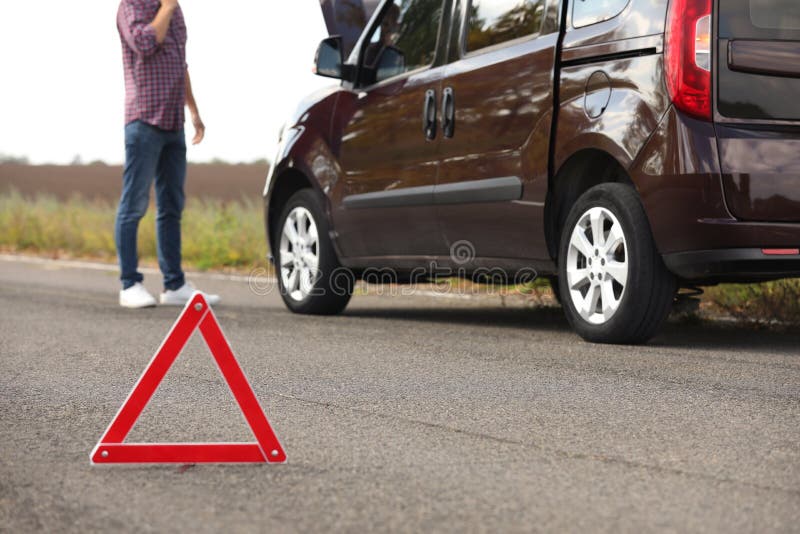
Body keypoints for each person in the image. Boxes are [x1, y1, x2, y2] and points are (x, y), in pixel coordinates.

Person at [115, 0, 220, 308]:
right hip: (144, 120)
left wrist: (194, 111)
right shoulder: (132, 5)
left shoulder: (172, 10)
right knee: (133, 205)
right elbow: (145, 43)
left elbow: (179, 64)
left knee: (172, 207)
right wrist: (168, 6)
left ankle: (174, 285)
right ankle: (129, 284)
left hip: (174, 122)